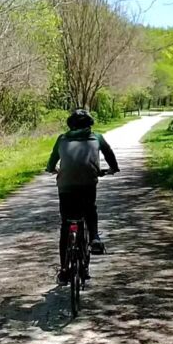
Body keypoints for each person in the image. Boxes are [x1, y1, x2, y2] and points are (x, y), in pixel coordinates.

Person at [46, 109, 119, 284]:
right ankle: (94, 237)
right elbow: (109, 155)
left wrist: (51, 169)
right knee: (89, 209)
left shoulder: (62, 139)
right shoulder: (97, 137)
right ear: (89, 124)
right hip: (88, 184)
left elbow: (51, 162)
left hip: (66, 186)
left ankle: (64, 271)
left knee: (66, 224)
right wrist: (113, 169)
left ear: (70, 125)